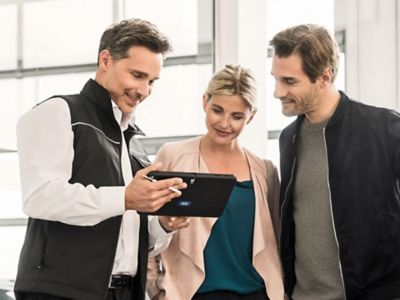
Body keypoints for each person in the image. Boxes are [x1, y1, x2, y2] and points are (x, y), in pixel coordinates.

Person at [14, 18, 190, 300]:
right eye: (136, 75)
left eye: (152, 81)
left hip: (124, 292)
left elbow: (128, 237)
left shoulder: (132, 142)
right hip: (61, 293)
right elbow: (40, 196)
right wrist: (125, 198)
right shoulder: (59, 112)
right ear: (105, 59)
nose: (144, 91)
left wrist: (163, 225)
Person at [270, 24, 400, 300]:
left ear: (324, 76)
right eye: (276, 79)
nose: (277, 92)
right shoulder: (288, 138)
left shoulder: (385, 129)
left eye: (289, 81)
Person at [146, 64, 284, 300]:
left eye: (237, 116)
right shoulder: (173, 157)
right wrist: (156, 291)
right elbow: (148, 232)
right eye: (217, 110)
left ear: (251, 117)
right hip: (192, 294)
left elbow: (278, 241)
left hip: (256, 294)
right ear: (204, 103)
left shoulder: (265, 170)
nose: (224, 123)